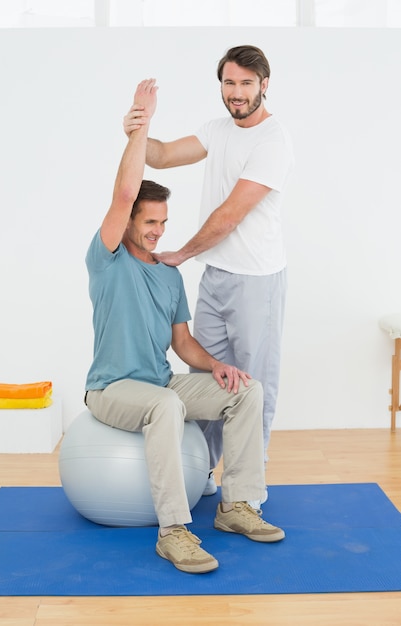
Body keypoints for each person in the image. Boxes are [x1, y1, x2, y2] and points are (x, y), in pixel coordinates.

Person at [84, 78, 285, 575]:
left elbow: (182, 343)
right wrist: (140, 126)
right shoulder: (107, 258)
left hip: (158, 382)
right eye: (148, 222)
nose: (157, 231)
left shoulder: (166, 272)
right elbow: (126, 189)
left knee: (246, 389)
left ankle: (237, 505)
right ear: (128, 221)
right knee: (168, 404)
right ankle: (173, 530)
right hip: (112, 388)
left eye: (163, 223)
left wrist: (217, 366)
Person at [124, 45, 294, 504]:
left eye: (245, 83)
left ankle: (247, 491)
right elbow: (158, 156)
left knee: (253, 385)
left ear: (264, 84)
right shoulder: (217, 131)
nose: (236, 93)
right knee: (211, 383)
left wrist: (181, 253)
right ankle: (200, 473)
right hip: (217, 277)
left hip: (256, 281)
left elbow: (229, 216)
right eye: (229, 83)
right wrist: (139, 127)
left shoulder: (272, 140)